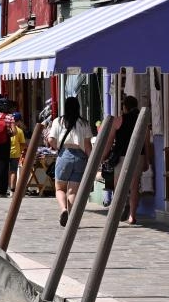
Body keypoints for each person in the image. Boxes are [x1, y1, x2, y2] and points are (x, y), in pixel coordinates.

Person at [104, 95, 152, 224]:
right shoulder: (142, 121)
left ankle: (119, 210)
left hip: (121, 156)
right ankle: (132, 216)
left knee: (118, 185)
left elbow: (109, 141)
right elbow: (146, 143)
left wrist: (104, 156)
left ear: (124, 107)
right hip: (138, 156)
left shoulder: (118, 120)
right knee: (134, 186)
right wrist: (147, 160)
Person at [46, 96, 93, 227]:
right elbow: (87, 146)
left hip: (65, 154)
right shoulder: (84, 123)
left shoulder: (58, 121)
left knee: (60, 188)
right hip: (80, 157)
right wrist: (92, 161)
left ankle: (63, 209)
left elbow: (51, 140)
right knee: (73, 191)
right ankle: (70, 217)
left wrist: (58, 148)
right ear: (78, 107)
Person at [9, 111, 27, 192]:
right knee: (13, 171)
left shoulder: (7, 129)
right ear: (19, 121)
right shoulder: (19, 131)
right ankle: (12, 189)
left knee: (7, 171)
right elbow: (23, 144)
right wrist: (21, 150)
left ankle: (7, 187)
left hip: (5, 153)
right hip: (15, 153)